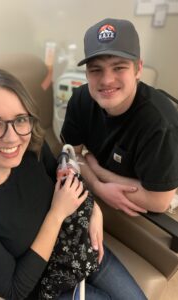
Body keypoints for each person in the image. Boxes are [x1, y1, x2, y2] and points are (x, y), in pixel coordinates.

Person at [0, 67, 147, 300]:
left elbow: (63, 177)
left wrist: (93, 208)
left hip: (75, 248)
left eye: (20, 119)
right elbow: (15, 289)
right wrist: (57, 213)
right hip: (40, 287)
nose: (12, 137)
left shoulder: (31, 147)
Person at [61, 17, 178, 217]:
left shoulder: (159, 124)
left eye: (119, 67)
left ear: (138, 69)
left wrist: (98, 172)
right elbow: (72, 154)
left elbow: (159, 201)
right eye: (96, 69)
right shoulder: (81, 99)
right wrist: (98, 187)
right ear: (87, 73)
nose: (106, 80)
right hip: (118, 186)